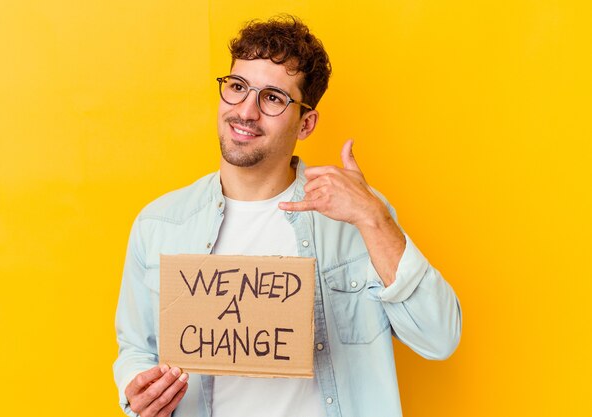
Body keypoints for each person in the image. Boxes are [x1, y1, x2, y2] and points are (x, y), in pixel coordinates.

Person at [114, 15, 461, 417]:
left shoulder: (358, 216)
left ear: (306, 124)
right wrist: (135, 390)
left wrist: (374, 219)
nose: (246, 111)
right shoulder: (159, 225)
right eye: (237, 87)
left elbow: (440, 339)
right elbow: (136, 350)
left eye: (273, 97)